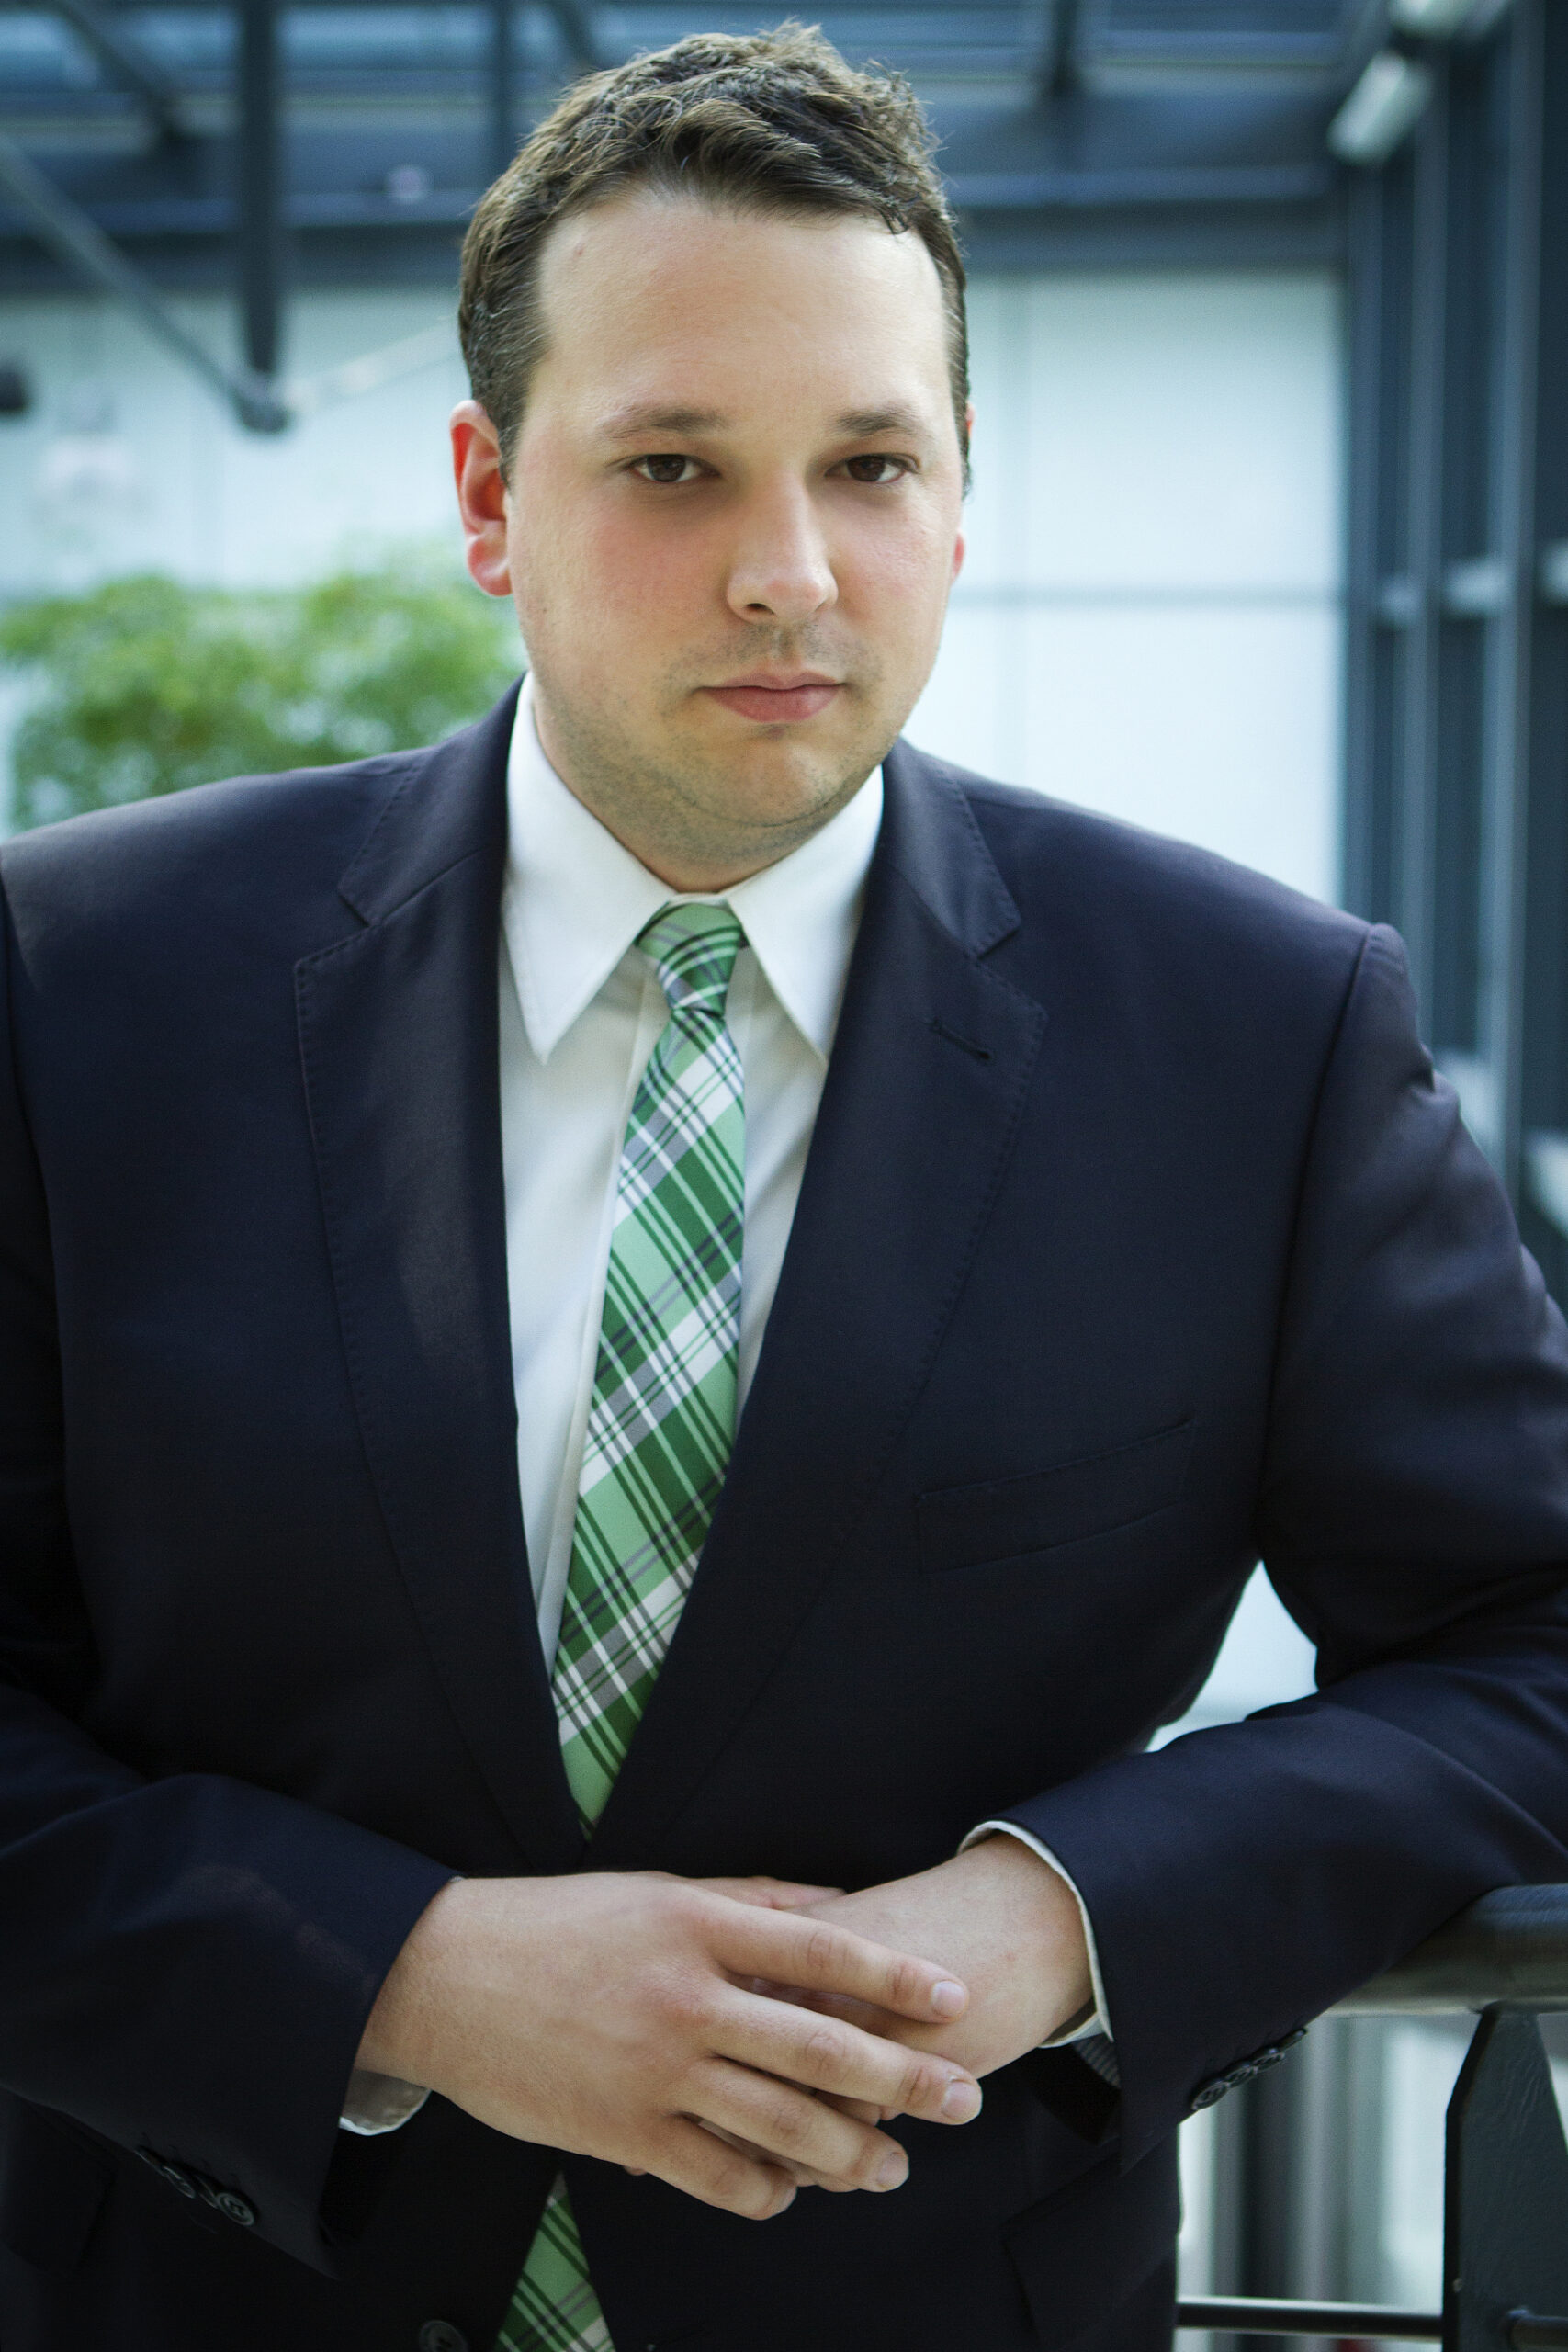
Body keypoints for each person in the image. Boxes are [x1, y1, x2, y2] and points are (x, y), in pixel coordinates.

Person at [4, 23, 1568, 2352]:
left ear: (960, 498)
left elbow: (1527, 1638)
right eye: (672, 466)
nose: (787, 571)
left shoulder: (1259, 1034)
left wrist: (1056, 1912)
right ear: (486, 497)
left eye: (868, 462)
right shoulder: (77, 979)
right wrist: (393, 1978)